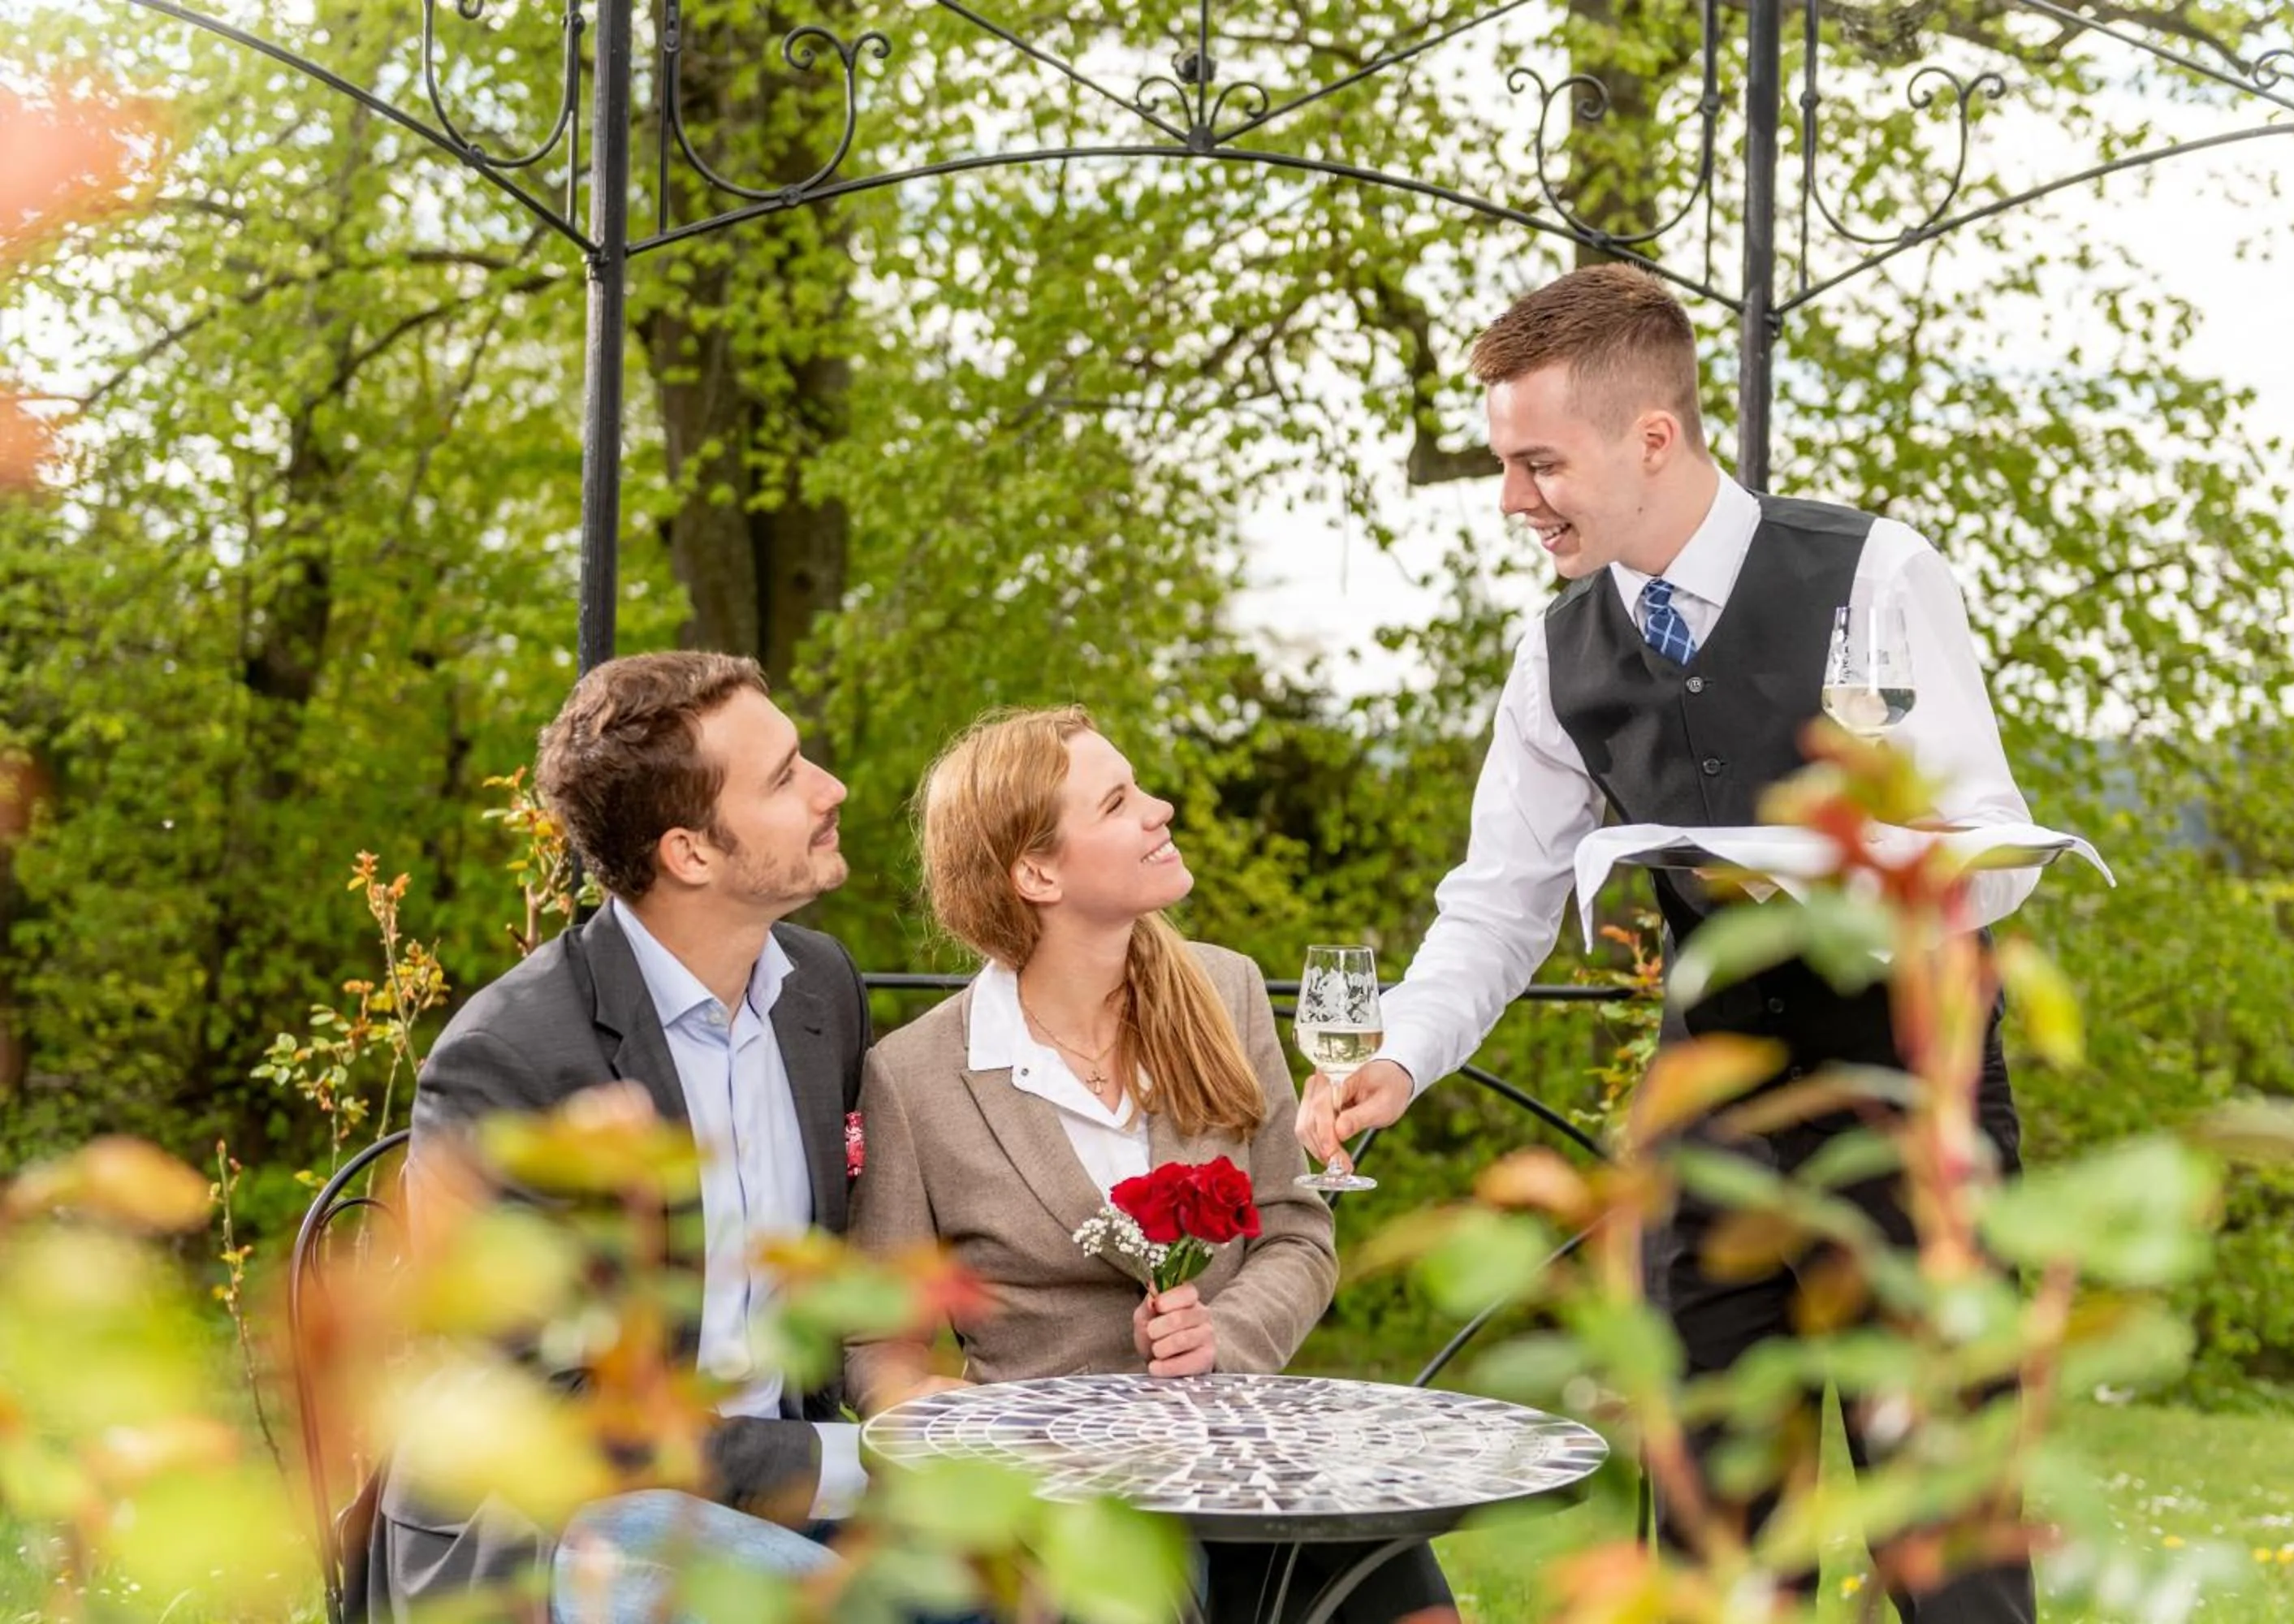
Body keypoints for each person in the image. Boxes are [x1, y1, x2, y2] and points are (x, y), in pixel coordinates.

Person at [1293, 263, 2042, 1622]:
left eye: (1537, 463)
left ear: (1654, 436)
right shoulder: (1558, 653)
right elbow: (1500, 899)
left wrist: (1872, 881)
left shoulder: (1870, 574)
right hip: (1711, 1129)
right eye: (1506, 465)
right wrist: (1398, 1061)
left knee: (1950, 1542)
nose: (1515, 499)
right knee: (1709, 1545)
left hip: (1911, 1107)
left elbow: (1989, 841)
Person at [845, 706, 1458, 1624]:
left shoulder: (1228, 989)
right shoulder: (917, 1074)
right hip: (1062, 1509)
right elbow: (879, 1354)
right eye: (1120, 800)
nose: (1161, 808)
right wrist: (1020, 1445)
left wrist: (1227, 1333)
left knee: (1406, 1593)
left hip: (1247, 1459)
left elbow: (1297, 1228)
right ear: (1037, 871)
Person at [371, 650, 867, 1622]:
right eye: (785, 775)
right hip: (561, 1529)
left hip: (785, 1509)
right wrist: (856, 1464)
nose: (830, 787)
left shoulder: (821, 990)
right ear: (691, 852)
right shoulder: (508, 1061)